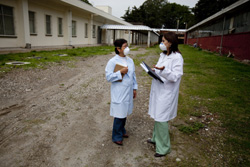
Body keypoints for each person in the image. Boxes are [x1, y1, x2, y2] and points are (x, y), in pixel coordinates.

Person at [147, 32, 184, 157]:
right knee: (158, 115)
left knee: (161, 118)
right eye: (162, 40)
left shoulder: (177, 57)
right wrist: (154, 70)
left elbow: (175, 76)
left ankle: (164, 148)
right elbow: (159, 68)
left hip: (167, 92)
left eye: (164, 41)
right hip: (159, 88)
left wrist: (163, 70)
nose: (161, 43)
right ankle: (155, 138)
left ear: (171, 43)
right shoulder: (163, 55)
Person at [105, 39, 138, 146]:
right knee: (119, 114)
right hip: (119, 91)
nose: (127, 48)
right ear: (118, 49)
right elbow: (109, 77)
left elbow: (133, 76)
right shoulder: (113, 61)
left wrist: (134, 88)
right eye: (124, 47)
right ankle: (116, 136)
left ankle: (122, 130)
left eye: (127, 46)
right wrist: (120, 72)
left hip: (128, 91)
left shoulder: (130, 61)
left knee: (125, 112)